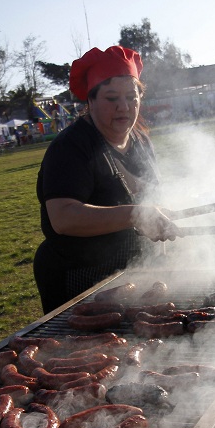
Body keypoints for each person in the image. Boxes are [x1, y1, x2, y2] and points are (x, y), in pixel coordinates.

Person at [33, 45, 179, 314]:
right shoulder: (71, 147)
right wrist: (136, 215)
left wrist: (162, 252)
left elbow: (154, 198)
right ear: (90, 101)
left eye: (131, 97)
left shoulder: (142, 141)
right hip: (79, 275)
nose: (123, 107)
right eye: (111, 98)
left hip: (133, 271)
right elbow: (64, 218)